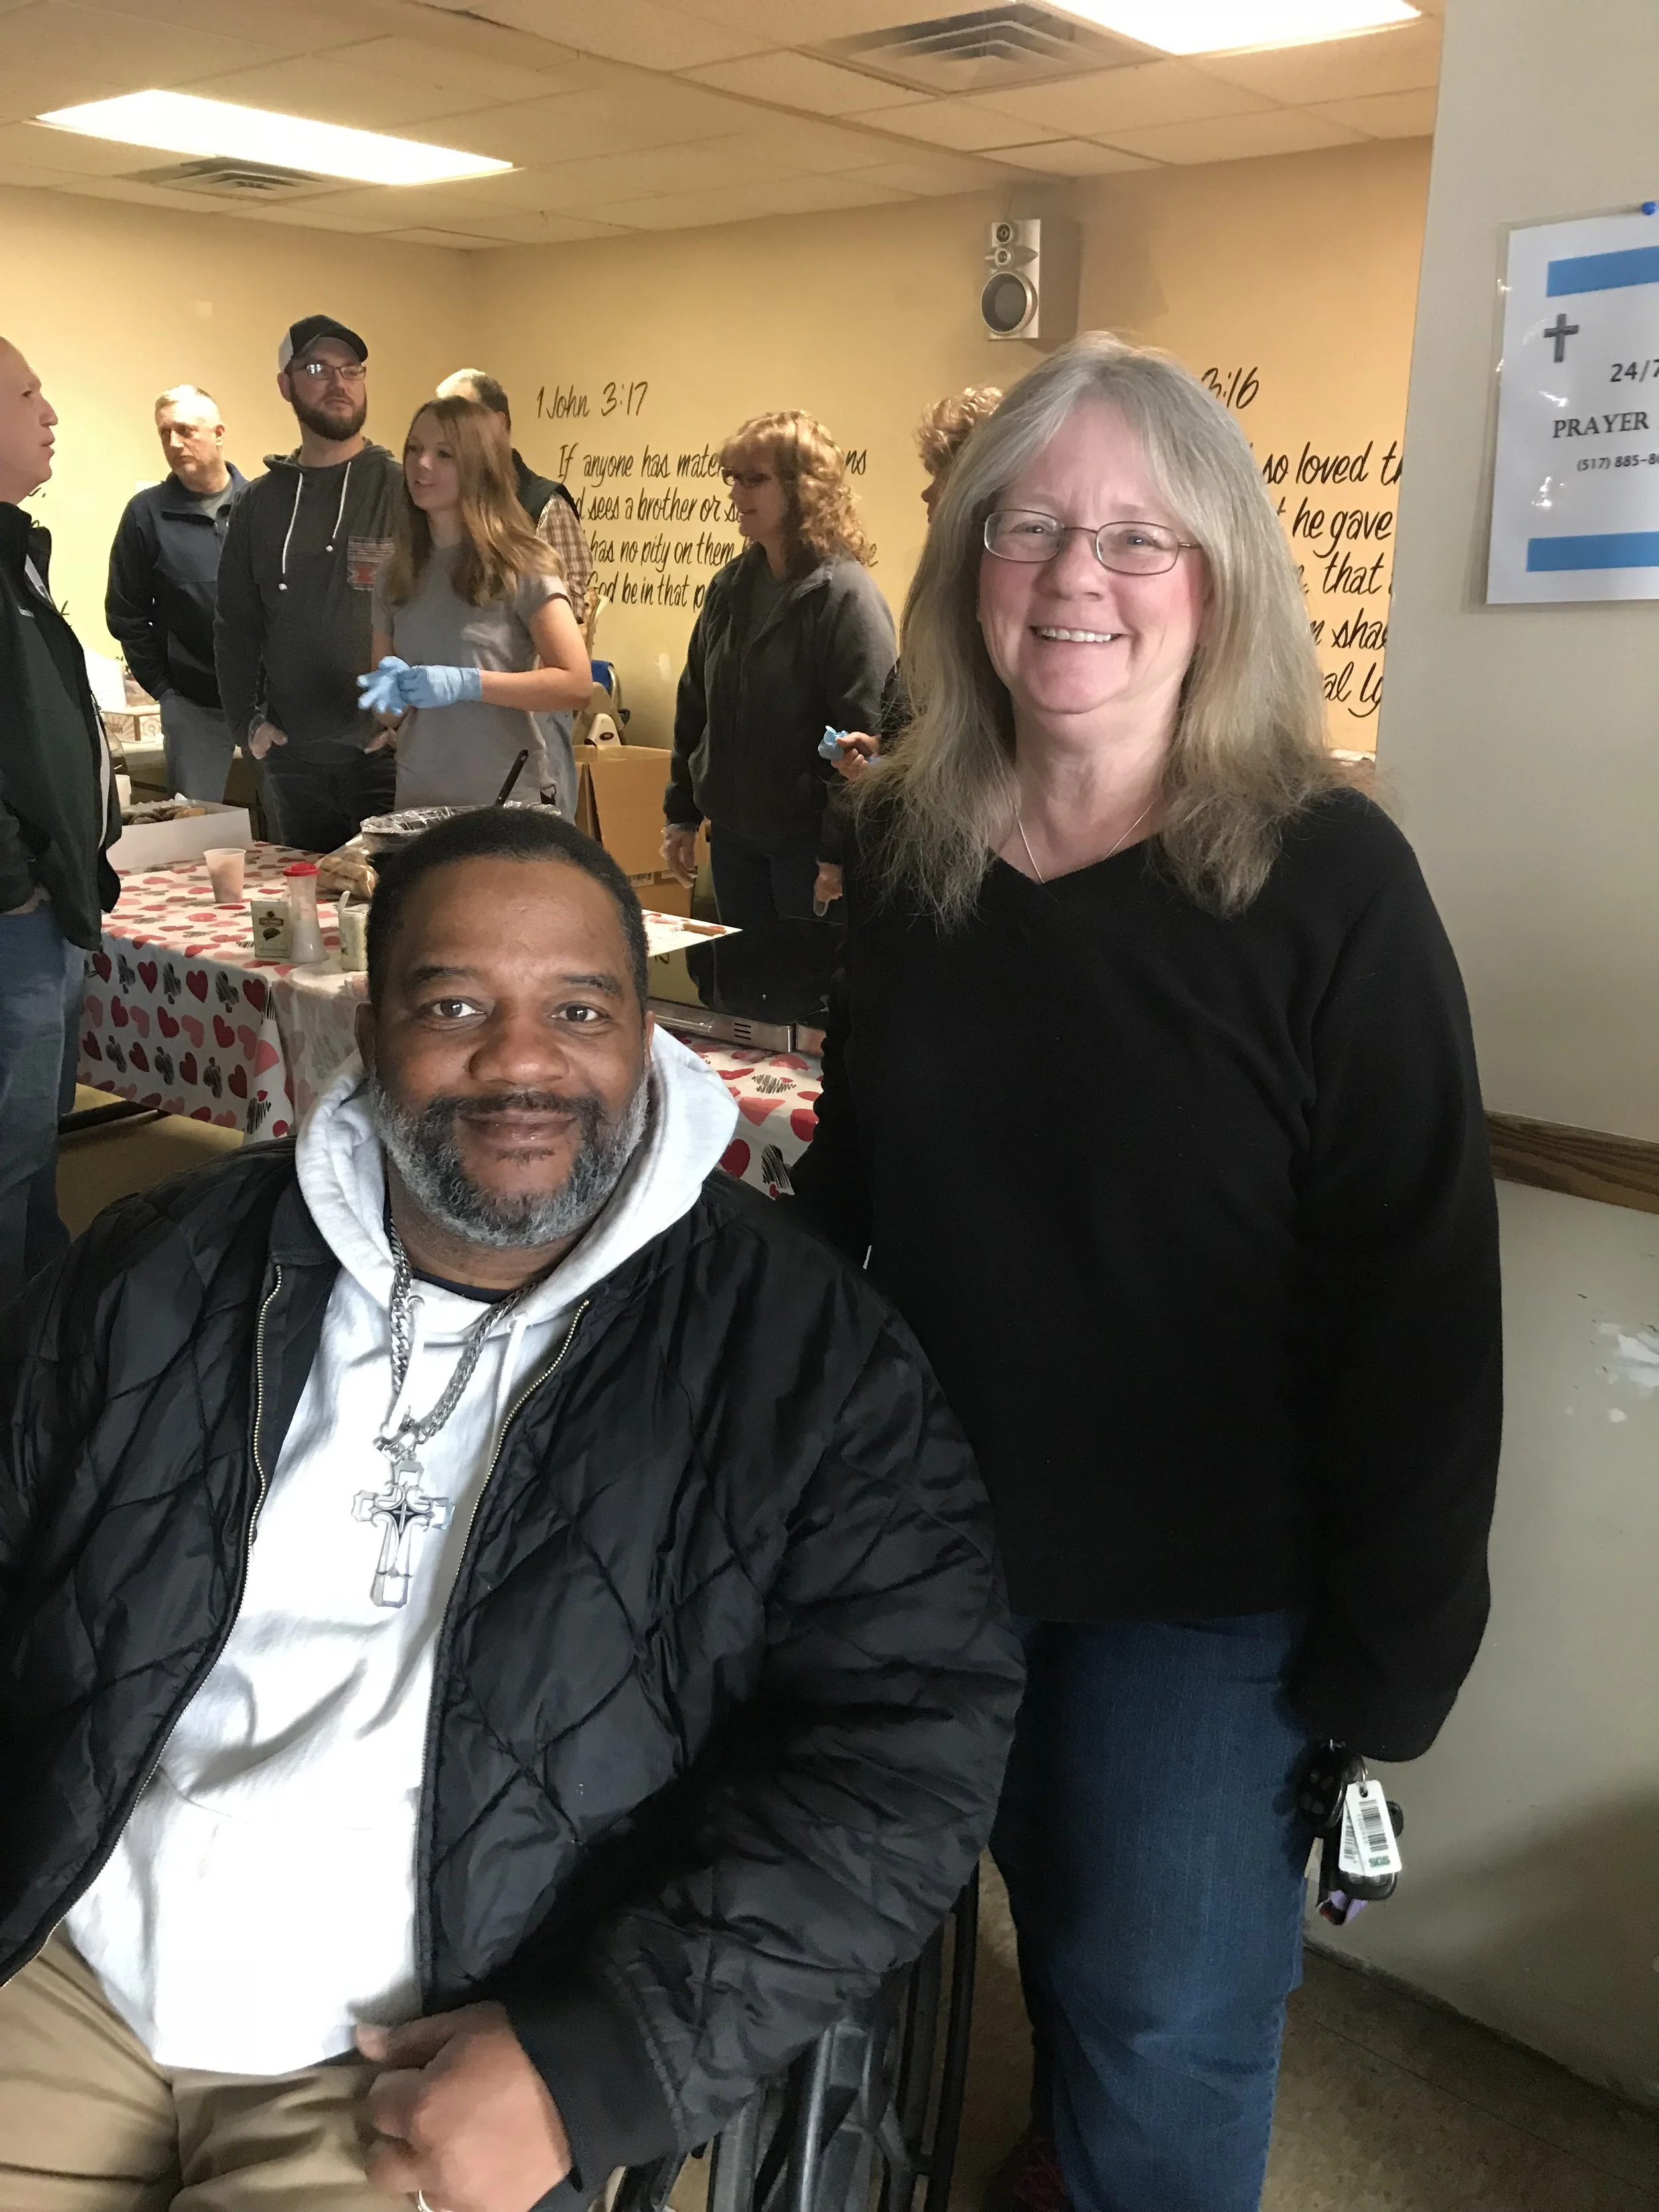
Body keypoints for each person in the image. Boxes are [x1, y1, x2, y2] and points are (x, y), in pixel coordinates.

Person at [0, 804, 1021, 2210]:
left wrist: (598, 2059)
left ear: (642, 1038)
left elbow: (910, 1740)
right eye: (455, 1002)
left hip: (427, 2054)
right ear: (367, 1031)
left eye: (579, 1007)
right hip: (72, 1958)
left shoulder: (807, 1362)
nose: (520, 1059)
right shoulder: (162, 1267)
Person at [791, 333, 1502, 2212]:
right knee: (1020, 1928)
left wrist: (1395, 1646)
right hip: (933, 1552)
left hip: (1211, 1595)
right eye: (1028, 526)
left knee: (1163, 1999)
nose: (1075, 576)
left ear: (1221, 584)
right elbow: (851, 1189)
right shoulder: (908, 848)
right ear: (965, 571)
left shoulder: (1330, 882)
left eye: (1136, 536)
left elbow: (1417, 1292)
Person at [662, 411, 895, 928]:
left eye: (754, 479)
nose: (735, 493)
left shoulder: (844, 597)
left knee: (801, 999)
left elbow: (865, 738)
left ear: (802, 488)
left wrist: (836, 853)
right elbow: (695, 703)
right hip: (734, 839)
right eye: (733, 478)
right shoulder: (730, 588)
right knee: (741, 994)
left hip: (808, 850)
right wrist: (682, 812)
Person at [0, 334, 119, 1306]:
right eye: (28, 393)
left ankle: (38, 1335)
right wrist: (17, 883)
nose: (50, 414)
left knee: (33, 1144)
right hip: (14, 926)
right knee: (6, 1155)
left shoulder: (15, 558)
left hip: (50, 912)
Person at [215, 314, 402, 851]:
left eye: (352, 370)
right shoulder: (259, 502)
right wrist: (247, 727)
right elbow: (235, 626)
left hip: (384, 758)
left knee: (392, 918)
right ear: (286, 385)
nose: (339, 383)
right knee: (304, 920)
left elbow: (439, 613)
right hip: (291, 763)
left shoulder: (400, 489)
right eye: (318, 368)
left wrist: (412, 726)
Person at [817, 386, 1003, 902]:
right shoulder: (949, 595)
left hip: (961, 881)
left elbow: (983, 769)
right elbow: (937, 745)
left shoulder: (1004, 613)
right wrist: (883, 761)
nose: (926, 496)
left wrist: (892, 776)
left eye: (938, 479)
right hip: (912, 860)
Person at [363, 396, 591, 815]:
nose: (421, 464)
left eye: (443, 454)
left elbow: (575, 685)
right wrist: (390, 696)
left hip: (502, 798)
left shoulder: (523, 564)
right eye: (414, 449)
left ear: (479, 466)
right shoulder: (394, 576)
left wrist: (468, 683)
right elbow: (389, 715)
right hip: (418, 801)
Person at [105, 383, 247, 801]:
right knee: (193, 828)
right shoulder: (146, 513)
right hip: (192, 704)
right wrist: (165, 689)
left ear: (218, 433)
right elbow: (125, 612)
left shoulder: (259, 505)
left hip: (268, 704)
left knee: (291, 825)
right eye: (165, 433)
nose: (174, 443)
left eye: (185, 430)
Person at [437, 368, 593, 606]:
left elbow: (568, 605)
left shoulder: (546, 505)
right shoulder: (440, 499)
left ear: (499, 422)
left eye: (462, 419)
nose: (450, 433)